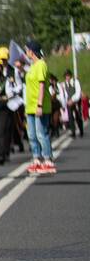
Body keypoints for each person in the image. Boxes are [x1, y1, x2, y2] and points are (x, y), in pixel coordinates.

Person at [23, 40, 56, 174]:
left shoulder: (41, 64)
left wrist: (40, 105)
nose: (26, 52)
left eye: (27, 50)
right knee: (31, 135)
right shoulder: (32, 66)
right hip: (30, 106)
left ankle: (48, 159)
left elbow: (42, 86)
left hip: (39, 105)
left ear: (32, 51)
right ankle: (36, 159)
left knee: (41, 133)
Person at [60, 69, 83, 138]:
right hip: (68, 102)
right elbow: (63, 95)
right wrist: (64, 104)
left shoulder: (76, 82)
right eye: (66, 76)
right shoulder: (64, 84)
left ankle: (81, 129)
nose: (67, 77)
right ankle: (73, 132)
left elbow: (78, 92)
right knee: (70, 117)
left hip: (76, 101)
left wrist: (73, 100)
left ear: (70, 76)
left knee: (78, 116)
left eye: (68, 76)